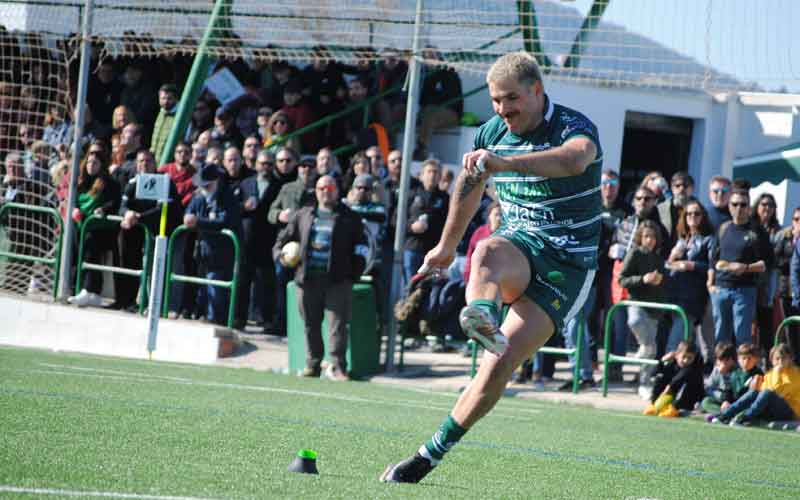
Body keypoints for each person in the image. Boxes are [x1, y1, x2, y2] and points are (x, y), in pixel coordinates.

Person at [380, 51, 602, 483]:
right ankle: (482, 314)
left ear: (537, 91)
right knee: (483, 252)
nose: (503, 110)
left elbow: (574, 160)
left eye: (512, 99)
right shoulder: (491, 131)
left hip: (569, 266)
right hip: (521, 246)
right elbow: (469, 182)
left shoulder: (574, 126)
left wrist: (504, 163)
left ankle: (428, 456)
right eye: (497, 101)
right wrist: (445, 248)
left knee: (498, 368)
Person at [272, 175, 366, 381]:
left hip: (338, 281)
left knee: (337, 326)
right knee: (310, 324)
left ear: (337, 191)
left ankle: (339, 367)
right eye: (321, 187)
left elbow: (362, 247)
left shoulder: (350, 217)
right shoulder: (303, 215)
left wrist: (354, 273)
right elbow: (281, 241)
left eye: (330, 187)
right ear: (316, 191)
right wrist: (282, 256)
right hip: (307, 280)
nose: (326, 191)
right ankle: (312, 364)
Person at [708, 187, 774, 347]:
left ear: (749, 207)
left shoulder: (757, 231)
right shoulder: (723, 228)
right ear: (729, 206)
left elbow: (768, 263)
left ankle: (742, 370)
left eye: (743, 205)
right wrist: (710, 283)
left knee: (742, 335)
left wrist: (745, 267)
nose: (738, 208)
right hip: (720, 288)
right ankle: (721, 369)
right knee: (720, 334)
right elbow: (713, 259)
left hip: (744, 290)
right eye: (734, 204)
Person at [184, 163, 242, 325]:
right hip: (203, 250)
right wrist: (189, 216)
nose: (203, 188)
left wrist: (199, 222)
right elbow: (190, 210)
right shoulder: (199, 196)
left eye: (207, 185)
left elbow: (225, 220)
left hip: (222, 252)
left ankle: (215, 320)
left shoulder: (227, 197)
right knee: (204, 287)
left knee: (215, 287)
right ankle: (204, 314)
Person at [67, 150, 122, 307]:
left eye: (95, 163)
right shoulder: (80, 182)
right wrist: (75, 209)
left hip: (99, 229)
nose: (91, 165)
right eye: (89, 162)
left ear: (102, 165)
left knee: (90, 253)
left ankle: (90, 290)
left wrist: (103, 209)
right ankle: (75, 288)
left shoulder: (109, 183)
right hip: (80, 225)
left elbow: (114, 202)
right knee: (74, 254)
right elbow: (73, 201)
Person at [618, 219, 667, 398]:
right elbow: (622, 279)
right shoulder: (634, 253)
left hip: (654, 308)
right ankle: (642, 344)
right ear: (640, 237)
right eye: (646, 236)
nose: (650, 240)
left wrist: (658, 281)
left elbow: (663, 283)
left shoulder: (658, 258)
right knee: (635, 321)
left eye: (653, 237)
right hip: (637, 302)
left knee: (651, 351)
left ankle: (645, 384)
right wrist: (642, 279)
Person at [238, 150, 283, 333]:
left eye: (269, 164)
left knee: (267, 283)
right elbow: (234, 207)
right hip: (247, 239)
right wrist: (244, 206)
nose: (265, 168)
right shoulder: (246, 184)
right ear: (256, 164)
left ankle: (267, 320)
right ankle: (239, 318)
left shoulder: (279, 186)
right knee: (242, 280)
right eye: (262, 163)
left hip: (267, 240)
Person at [664, 199, 714, 354]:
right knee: (686, 339)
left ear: (703, 216)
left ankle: (666, 366)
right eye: (689, 214)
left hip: (693, 296)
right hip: (674, 292)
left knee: (678, 334)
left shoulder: (709, 239)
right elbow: (668, 265)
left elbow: (713, 266)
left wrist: (691, 265)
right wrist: (672, 258)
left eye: (697, 214)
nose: (692, 217)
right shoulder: (682, 239)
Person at [710, 343, 800, 426]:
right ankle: (725, 415)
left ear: (791, 359)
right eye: (777, 359)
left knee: (766, 393)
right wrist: (754, 389)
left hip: (790, 413)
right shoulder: (769, 374)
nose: (780, 361)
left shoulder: (795, 373)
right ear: (772, 360)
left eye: (783, 358)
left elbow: (776, 392)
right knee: (754, 392)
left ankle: (744, 418)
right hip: (771, 410)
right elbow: (761, 395)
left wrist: (777, 373)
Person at [402, 159, 449, 285]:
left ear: (440, 176)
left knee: (430, 289)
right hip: (413, 248)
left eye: (436, 172)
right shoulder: (410, 194)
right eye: (429, 172)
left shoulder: (445, 199)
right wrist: (412, 227)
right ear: (422, 175)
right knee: (411, 286)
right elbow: (397, 221)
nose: (432, 175)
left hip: (433, 251)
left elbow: (448, 225)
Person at [751, 193, 781, 355]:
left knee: (766, 321)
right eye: (763, 204)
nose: (767, 208)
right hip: (750, 276)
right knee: (749, 321)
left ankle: (766, 358)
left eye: (771, 205)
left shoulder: (779, 230)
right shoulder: (750, 226)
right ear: (757, 206)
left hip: (769, 278)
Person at [642, 340, 704, 417]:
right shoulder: (673, 363)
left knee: (685, 383)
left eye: (690, 358)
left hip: (688, 400)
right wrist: (662, 361)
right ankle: (653, 405)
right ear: (677, 355)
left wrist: (670, 386)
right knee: (659, 377)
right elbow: (653, 374)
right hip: (670, 395)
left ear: (694, 358)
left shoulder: (695, 367)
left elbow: (682, 376)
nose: (686, 360)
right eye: (684, 357)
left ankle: (674, 408)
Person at [657, 171, 694, 248]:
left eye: (685, 185)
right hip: (663, 254)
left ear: (692, 189)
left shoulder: (699, 210)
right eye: (677, 186)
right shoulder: (660, 209)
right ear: (672, 188)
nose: (681, 188)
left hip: (689, 254)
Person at [700, 342, 739, 414]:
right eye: (720, 360)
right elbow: (709, 386)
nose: (723, 363)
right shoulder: (717, 370)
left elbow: (732, 391)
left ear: (733, 360)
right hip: (720, 398)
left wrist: (723, 375)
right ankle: (721, 413)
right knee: (706, 401)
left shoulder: (737, 371)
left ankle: (729, 413)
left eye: (726, 360)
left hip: (733, 400)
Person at [150, 83, 179, 163]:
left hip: (170, 162)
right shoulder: (160, 113)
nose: (166, 101)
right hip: (155, 161)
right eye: (163, 98)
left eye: (169, 98)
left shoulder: (180, 115)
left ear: (176, 99)